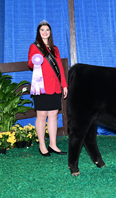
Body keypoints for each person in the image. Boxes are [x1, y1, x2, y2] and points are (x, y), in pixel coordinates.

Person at [28, 20, 68, 156]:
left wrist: (64, 85)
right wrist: (35, 59)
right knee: (41, 116)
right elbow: (31, 64)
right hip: (42, 87)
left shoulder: (55, 49)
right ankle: (42, 145)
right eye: (42, 30)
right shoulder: (34, 47)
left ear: (50, 33)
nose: (45, 32)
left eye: (47, 30)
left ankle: (53, 144)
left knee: (53, 115)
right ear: (38, 33)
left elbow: (60, 68)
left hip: (56, 87)